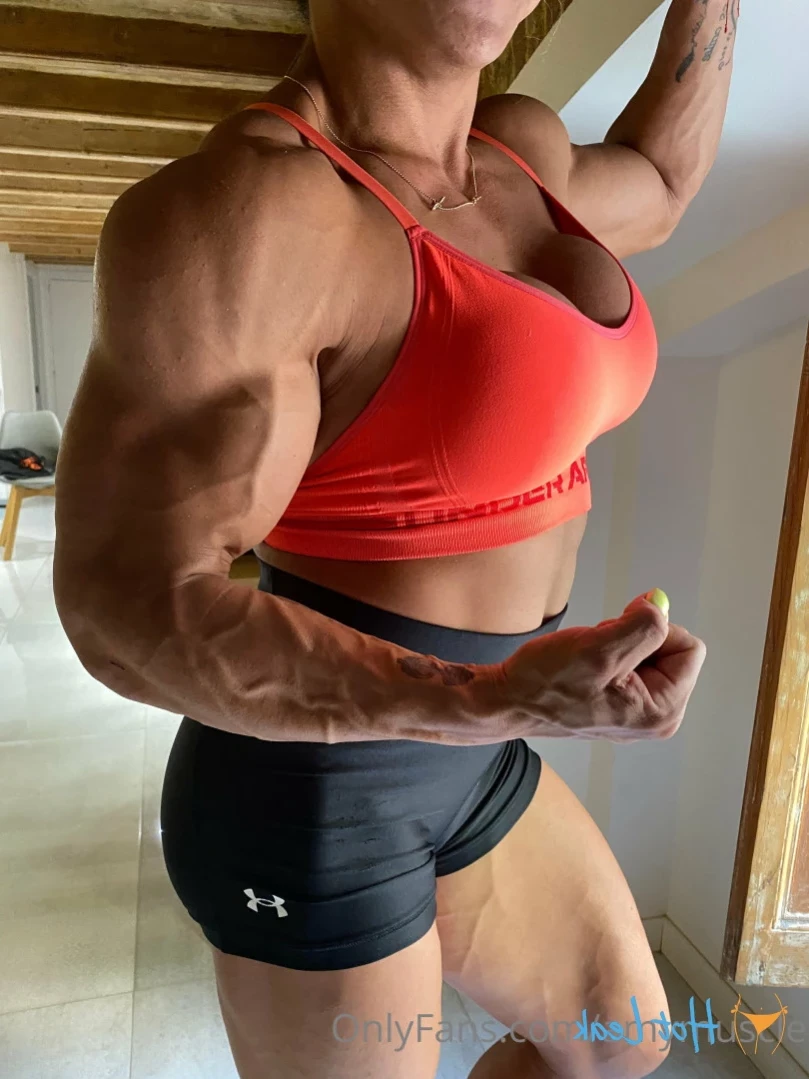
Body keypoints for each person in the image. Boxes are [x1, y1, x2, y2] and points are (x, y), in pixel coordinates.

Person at [53, 0, 739, 1075]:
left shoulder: (522, 150)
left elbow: (657, 179)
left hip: (470, 751)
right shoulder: (251, 212)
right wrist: (488, 700)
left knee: (621, 1040)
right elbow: (124, 608)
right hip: (313, 792)